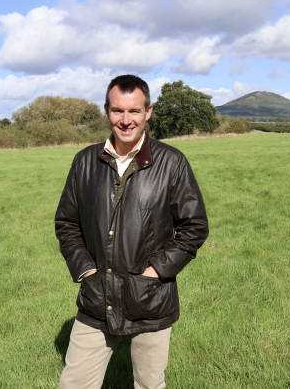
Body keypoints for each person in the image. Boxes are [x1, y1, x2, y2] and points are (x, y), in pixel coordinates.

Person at [55, 74, 209, 389]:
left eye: (134, 111)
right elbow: (67, 223)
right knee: (73, 384)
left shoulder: (172, 163)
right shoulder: (84, 162)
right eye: (118, 111)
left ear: (148, 112)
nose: (126, 120)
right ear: (106, 111)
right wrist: (85, 270)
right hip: (96, 299)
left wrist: (156, 271)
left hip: (150, 301)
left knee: (149, 385)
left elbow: (194, 227)